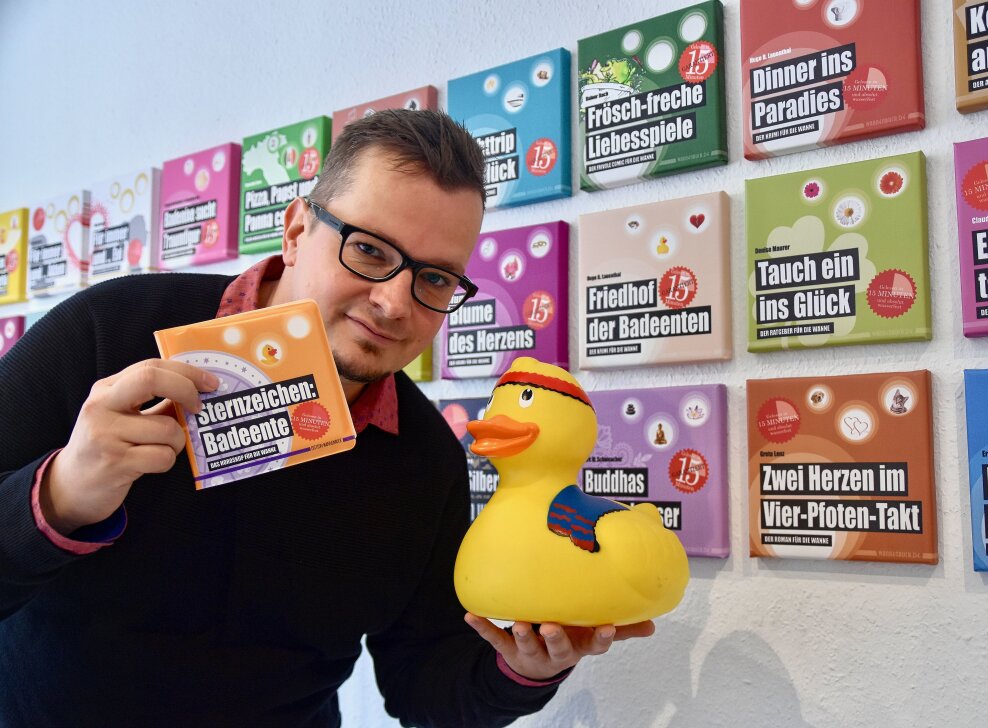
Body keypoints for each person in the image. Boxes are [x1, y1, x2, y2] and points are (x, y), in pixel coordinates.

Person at [0, 110, 654, 727]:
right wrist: (58, 497)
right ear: (295, 231)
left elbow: (422, 686)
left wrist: (521, 670)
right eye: (369, 251)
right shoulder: (109, 335)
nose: (395, 303)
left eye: (434, 279)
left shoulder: (424, 459)